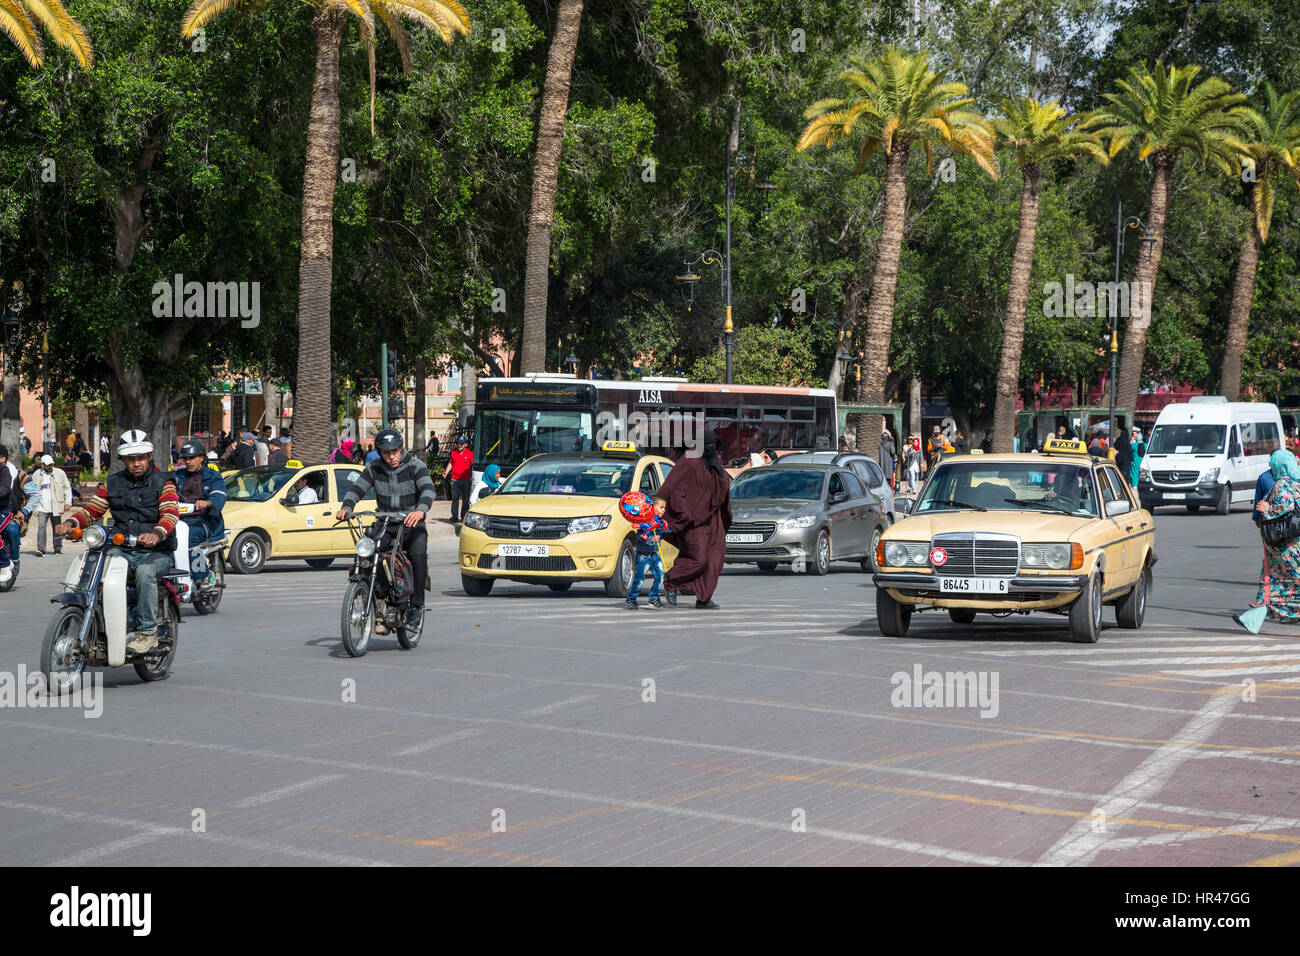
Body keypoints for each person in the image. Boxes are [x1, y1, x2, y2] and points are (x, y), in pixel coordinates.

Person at [56, 430, 180, 652]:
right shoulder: (112, 483)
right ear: (123, 460)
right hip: (121, 549)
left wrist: (157, 534)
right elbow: (92, 510)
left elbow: (170, 513)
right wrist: (72, 523)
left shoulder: (164, 482)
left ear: (149, 456)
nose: (136, 463)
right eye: (131, 459)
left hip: (156, 552)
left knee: (145, 572)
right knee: (97, 570)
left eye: (141, 458)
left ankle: (147, 632)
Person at [335, 428, 435, 629]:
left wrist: (420, 511)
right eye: (386, 452)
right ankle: (379, 597)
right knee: (370, 553)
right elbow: (356, 489)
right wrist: (346, 507)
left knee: (417, 555)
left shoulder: (416, 466)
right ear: (380, 452)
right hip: (386, 523)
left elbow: (428, 490)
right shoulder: (373, 468)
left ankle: (416, 605)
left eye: (395, 451)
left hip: (411, 524)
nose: (391, 456)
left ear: (401, 448)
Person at [655, 429, 732, 609]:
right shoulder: (689, 460)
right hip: (694, 521)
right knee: (699, 559)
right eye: (708, 446)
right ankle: (671, 583)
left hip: (714, 519)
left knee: (715, 560)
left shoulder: (716, 462)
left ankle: (704, 598)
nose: (711, 450)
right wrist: (678, 513)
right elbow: (669, 487)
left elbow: (722, 485)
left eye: (714, 446)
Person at [1243, 450, 1300, 625]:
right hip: (1284, 546)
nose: (1271, 468)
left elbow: (1284, 505)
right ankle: (1252, 619)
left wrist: (1266, 509)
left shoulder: (1283, 484)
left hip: (1285, 547)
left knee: (1281, 582)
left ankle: (1254, 619)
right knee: (1273, 583)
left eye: (1273, 464)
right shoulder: (1296, 483)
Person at [171, 440, 227, 584]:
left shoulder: (213, 476)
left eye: (192, 458)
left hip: (204, 521)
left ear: (202, 458)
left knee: (190, 538)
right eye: (185, 459)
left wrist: (207, 503)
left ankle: (202, 576)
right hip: (177, 521)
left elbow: (219, 498)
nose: (188, 462)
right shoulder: (177, 476)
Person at [626, 498, 670, 610]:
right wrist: (651, 539)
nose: (663, 510)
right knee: (640, 578)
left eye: (664, 507)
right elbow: (641, 538)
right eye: (661, 507)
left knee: (660, 575)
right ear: (652, 507)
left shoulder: (659, 521)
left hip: (655, 554)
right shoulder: (644, 521)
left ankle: (653, 597)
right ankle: (631, 599)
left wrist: (666, 527)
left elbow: (666, 529)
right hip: (643, 555)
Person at [33, 454, 73, 556]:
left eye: (51, 464)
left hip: (56, 506)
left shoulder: (60, 473)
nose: (50, 467)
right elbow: (32, 490)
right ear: (42, 465)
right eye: (47, 465)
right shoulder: (37, 474)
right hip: (41, 506)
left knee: (57, 527)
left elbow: (67, 488)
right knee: (41, 526)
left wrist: (68, 502)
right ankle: (41, 549)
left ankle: (57, 548)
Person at [447, 436, 473, 523]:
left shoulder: (470, 454)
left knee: (465, 500)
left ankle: (463, 516)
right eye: (459, 443)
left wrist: (472, 476)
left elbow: (473, 466)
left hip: (466, 480)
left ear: (466, 444)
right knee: (455, 499)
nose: (460, 445)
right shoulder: (453, 453)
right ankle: (454, 516)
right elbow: (450, 463)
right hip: (455, 479)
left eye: (462, 444)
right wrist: (446, 472)